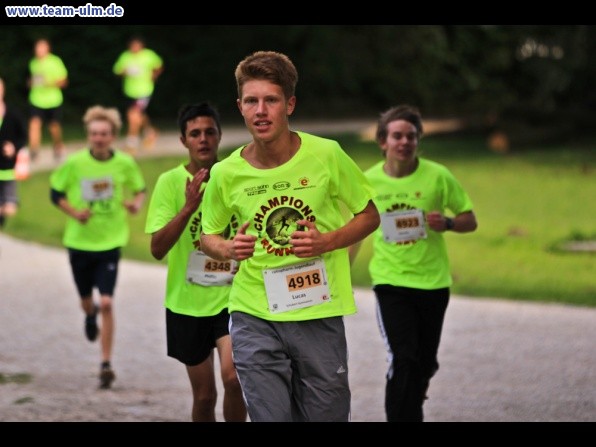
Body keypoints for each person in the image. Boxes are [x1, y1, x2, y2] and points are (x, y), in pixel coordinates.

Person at [199, 51, 380, 422]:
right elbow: (208, 237)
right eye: (251, 101)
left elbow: (370, 215)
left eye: (271, 100)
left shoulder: (326, 155)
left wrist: (326, 242)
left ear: (290, 104)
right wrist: (229, 248)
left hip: (317, 309)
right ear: (240, 107)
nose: (260, 111)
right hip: (254, 312)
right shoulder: (226, 172)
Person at [356, 105, 478, 422]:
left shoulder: (438, 176)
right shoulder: (367, 182)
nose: (405, 142)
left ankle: (416, 391)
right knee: (402, 357)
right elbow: (354, 229)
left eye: (411, 136)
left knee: (424, 362)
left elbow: (470, 220)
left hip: (433, 282)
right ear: (383, 141)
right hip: (391, 281)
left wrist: (449, 223)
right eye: (397, 136)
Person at [144, 103, 247, 422]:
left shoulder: (233, 176)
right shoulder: (169, 182)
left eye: (209, 132)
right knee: (204, 397)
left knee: (234, 380)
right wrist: (188, 207)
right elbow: (157, 249)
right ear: (183, 141)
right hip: (186, 304)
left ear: (219, 136)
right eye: (195, 134)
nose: (203, 139)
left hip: (232, 299)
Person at [49, 105, 146, 389]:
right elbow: (56, 194)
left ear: (113, 135)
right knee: (87, 301)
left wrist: (135, 204)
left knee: (107, 301)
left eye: (104, 134)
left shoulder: (124, 163)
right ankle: (89, 315)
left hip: (110, 241)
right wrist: (74, 213)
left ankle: (105, 363)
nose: (99, 138)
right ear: (88, 135)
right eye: (94, 134)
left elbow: (140, 189)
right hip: (79, 242)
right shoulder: (75, 163)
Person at [112, 36, 164, 154]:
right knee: (139, 115)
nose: (134, 48)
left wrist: (154, 75)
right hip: (130, 91)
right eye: (132, 46)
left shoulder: (149, 55)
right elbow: (117, 70)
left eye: (137, 46)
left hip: (144, 90)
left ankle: (131, 143)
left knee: (133, 115)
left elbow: (159, 66)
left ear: (141, 46)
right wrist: (124, 71)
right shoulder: (125, 56)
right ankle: (151, 133)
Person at [27, 38, 68, 162]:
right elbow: (33, 80)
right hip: (36, 99)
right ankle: (34, 151)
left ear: (47, 49)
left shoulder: (55, 61)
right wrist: (31, 83)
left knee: (54, 126)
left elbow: (64, 82)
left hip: (53, 100)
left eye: (42, 48)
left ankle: (58, 146)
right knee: (34, 123)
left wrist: (48, 84)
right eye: (37, 48)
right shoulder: (33, 63)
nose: (39, 50)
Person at [0, 77, 27, 229]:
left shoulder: (13, 114)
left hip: (8, 170)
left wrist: (14, 147)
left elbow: (23, 136)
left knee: (10, 208)